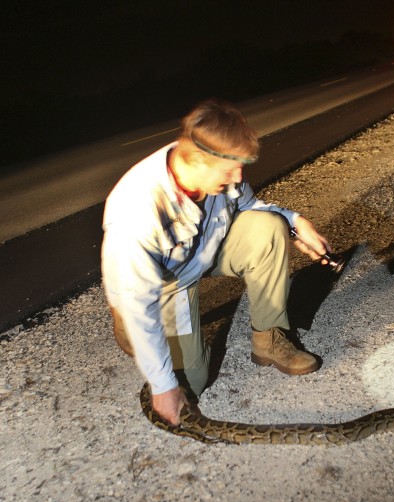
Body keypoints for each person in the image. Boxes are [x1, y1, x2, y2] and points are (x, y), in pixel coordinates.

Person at [101, 99, 332, 426]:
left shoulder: (220, 169)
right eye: (230, 169)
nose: (238, 177)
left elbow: (253, 206)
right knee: (188, 387)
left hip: (200, 252)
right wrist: (163, 386)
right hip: (161, 286)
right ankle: (126, 329)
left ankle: (268, 339)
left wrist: (296, 222)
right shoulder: (137, 212)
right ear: (197, 160)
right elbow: (140, 302)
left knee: (268, 228)